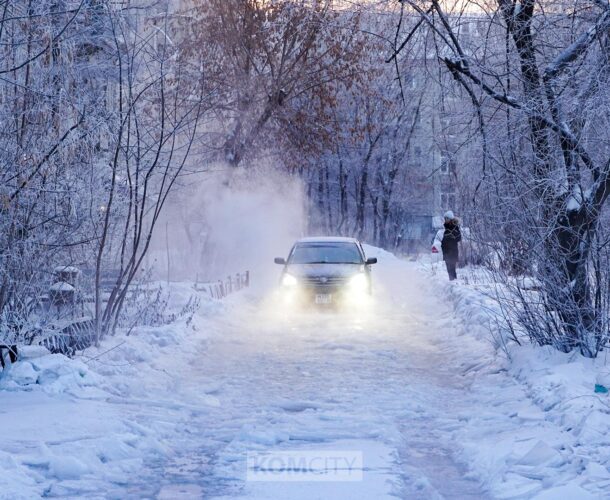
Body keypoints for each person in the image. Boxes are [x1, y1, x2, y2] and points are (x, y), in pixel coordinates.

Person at [441, 210, 461, 281]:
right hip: (447, 253)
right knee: (449, 269)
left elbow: (459, 238)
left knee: (452, 269)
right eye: (445, 218)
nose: (445, 220)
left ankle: (454, 282)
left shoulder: (455, 227)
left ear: (450, 219)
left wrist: (451, 238)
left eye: (447, 218)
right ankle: (452, 282)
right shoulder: (447, 228)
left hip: (452, 252)